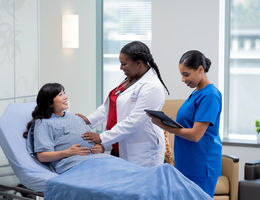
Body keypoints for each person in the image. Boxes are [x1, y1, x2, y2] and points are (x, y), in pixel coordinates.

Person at [78, 41, 169, 167]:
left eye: (124, 64)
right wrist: (89, 120)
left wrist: (102, 137)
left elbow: (134, 121)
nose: (121, 68)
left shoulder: (152, 86)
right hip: (119, 144)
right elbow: (109, 106)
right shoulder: (129, 78)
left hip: (141, 150)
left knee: (139, 185)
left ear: (138, 63)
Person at [148, 50, 222, 197]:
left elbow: (195, 135)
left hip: (201, 165)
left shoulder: (210, 95)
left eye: (186, 74)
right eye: (181, 74)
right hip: (187, 162)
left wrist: (165, 126)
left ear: (200, 69)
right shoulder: (196, 92)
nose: (183, 79)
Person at [23, 83, 105, 174]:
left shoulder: (76, 118)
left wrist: (100, 148)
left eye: (64, 93)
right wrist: (68, 152)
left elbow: (94, 140)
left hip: (96, 158)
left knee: (119, 167)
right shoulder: (43, 123)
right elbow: (42, 156)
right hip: (72, 164)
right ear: (50, 103)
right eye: (60, 95)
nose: (65, 97)